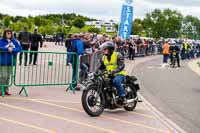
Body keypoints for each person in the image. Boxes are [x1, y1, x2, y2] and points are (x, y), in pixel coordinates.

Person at [0, 28, 22, 95]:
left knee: (8, 76)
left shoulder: (14, 41)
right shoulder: (1, 41)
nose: (9, 34)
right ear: (5, 34)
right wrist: (7, 49)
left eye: (10, 33)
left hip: (11, 61)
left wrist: (13, 50)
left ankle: (6, 90)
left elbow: (19, 48)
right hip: (3, 61)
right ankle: (1, 90)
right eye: (7, 33)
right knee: (3, 76)